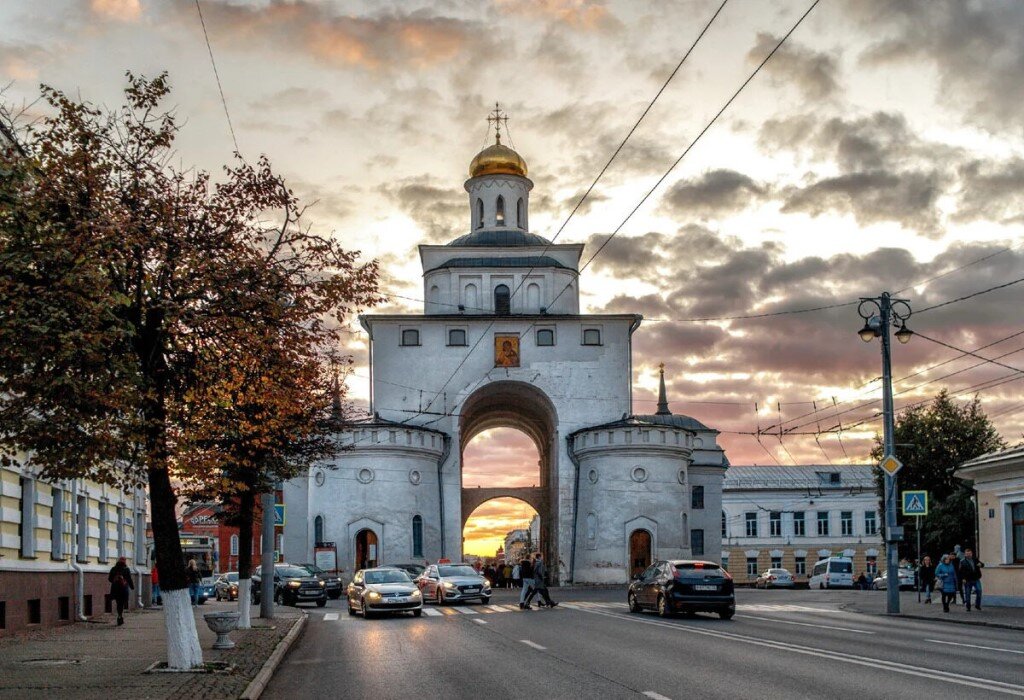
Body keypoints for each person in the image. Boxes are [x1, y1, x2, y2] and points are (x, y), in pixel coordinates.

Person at [108, 556, 134, 626]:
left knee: (118, 602)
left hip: (115, 589)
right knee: (121, 603)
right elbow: (129, 579)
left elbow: (109, 579)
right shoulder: (126, 569)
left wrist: (115, 579)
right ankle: (120, 616)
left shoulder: (113, 569)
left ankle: (119, 616)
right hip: (123, 589)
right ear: (125, 562)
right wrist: (132, 587)